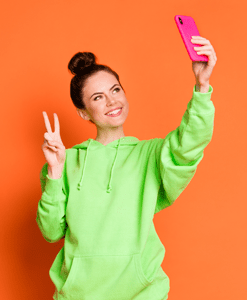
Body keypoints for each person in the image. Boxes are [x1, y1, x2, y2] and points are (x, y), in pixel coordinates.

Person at [36, 36, 217, 299]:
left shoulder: (150, 154)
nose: (111, 101)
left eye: (116, 90)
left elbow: (190, 143)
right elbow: (51, 232)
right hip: (78, 295)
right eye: (98, 97)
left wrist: (202, 86)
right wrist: (54, 172)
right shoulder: (66, 160)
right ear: (83, 112)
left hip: (142, 293)